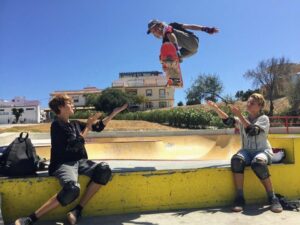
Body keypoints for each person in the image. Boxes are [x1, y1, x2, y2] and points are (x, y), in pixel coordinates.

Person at [14, 94, 128, 225]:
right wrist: (88, 126)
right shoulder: (57, 126)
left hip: (80, 162)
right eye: (70, 103)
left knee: (104, 170)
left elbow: (98, 127)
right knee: (72, 189)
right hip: (63, 164)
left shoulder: (75, 124)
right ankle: (30, 219)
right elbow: (75, 144)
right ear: (61, 107)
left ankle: (77, 211)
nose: (73, 105)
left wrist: (114, 113)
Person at [207, 93, 283, 213]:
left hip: (262, 150)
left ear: (260, 106)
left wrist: (240, 115)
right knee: (236, 161)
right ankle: (240, 198)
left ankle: (272, 197)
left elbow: (252, 130)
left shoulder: (264, 119)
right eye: (248, 102)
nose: (249, 104)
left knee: (258, 164)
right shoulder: (242, 118)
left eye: (252, 103)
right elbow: (228, 121)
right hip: (246, 151)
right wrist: (216, 108)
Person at [147, 19, 219, 61]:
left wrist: (206, 29)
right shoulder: (165, 42)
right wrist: (163, 60)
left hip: (192, 41)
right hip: (190, 51)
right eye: (153, 32)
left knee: (168, 30)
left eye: (155, 29)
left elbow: (189, 26)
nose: (156, 32)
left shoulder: (172, 25)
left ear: (160, 25)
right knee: (166, 57)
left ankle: (176, 51)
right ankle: (173, 70)